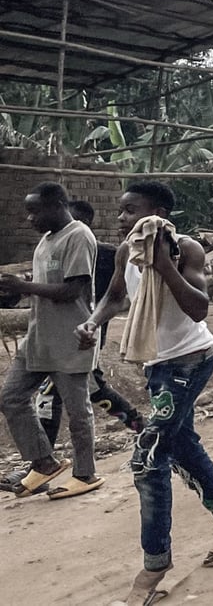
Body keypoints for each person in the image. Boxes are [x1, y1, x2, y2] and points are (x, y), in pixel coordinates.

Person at [79, 181, 213, 603]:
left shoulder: (187, 249)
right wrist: (92, 322)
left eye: (130, 211)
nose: (121, 219)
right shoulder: (126, 251)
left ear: (157, 212)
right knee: (180, 443)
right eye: (120, 211)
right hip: (157, 363)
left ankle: (154, 564)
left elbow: (199, 307)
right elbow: (115, 296)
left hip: (191, 360)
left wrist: (164, 265)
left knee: (148, 457)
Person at [0, 182, 101, 500]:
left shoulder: (79, 236)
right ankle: (43, 462)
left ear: (58, 204)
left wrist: (26, 287)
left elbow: (73, 290)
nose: (29, 219)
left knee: (78, 411)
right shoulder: (45, 241)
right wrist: (19, 288)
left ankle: (85, 473)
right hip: (39, 336)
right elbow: (47, 285)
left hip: (72, 337)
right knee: (11, 397)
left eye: (35, 211)